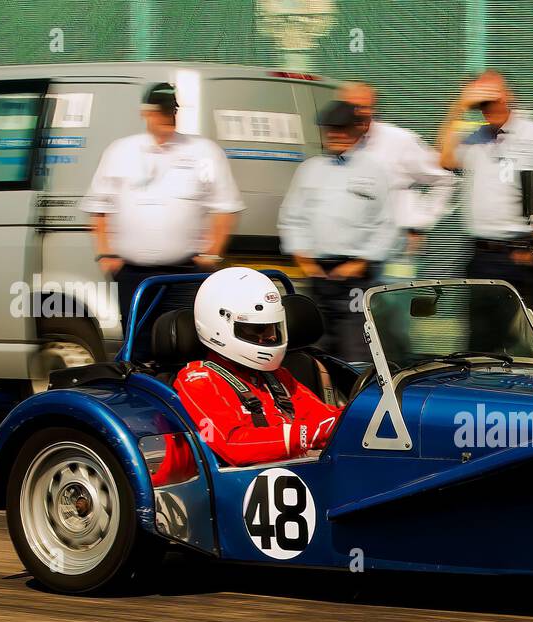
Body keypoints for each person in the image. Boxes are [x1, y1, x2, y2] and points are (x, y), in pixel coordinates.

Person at [82, 82, 244, 331]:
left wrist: (212, 254)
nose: (168, 116)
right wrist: (106, 254)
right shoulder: (120, 151)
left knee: (186, 343)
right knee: (138, 347)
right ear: (145, 113)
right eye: (161, 111)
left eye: (172, 111)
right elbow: (99, 206)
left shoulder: (203, 152)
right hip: (132, 276)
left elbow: (225, 205)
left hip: (185, 275)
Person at [437, 70, 533, 345]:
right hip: (481, 254)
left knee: (523, 344)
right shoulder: (476, 137)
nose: (489, 109)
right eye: (482, 104)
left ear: (509, 97)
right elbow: (444, 159)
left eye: (494, 100)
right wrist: (458, 108)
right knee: (479, 343)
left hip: (518, 255)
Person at [174, 267, 340, 467]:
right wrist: (309, 434)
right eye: (258, 329)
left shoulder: (275, 375)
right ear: (220, 326)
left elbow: (325, 418)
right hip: (227, 490)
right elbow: (234, 445)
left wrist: (361, 415)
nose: (270, 337)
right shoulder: (198, 380)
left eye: (272, 327)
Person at [278, 100, 396, 364]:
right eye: (330, 128)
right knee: (314, 349)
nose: (335, 134)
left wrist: (359, 263)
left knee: (356, 350)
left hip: (356, 278)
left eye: (341, 128)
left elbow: (386, 224)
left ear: (356, 130)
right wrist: (304, 261)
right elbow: (292, 216)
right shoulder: (310, 169)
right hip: (318, 276)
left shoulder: (373, 171)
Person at [337, 81, 454, 279]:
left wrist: (419, 222)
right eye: (351, 106)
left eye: (364, 107)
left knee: (392, 305)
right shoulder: (338, 142)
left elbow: (444, 179)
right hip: (350, 246)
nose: (357, 112)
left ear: (373, 109)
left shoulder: (398, 140)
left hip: (394, 250)